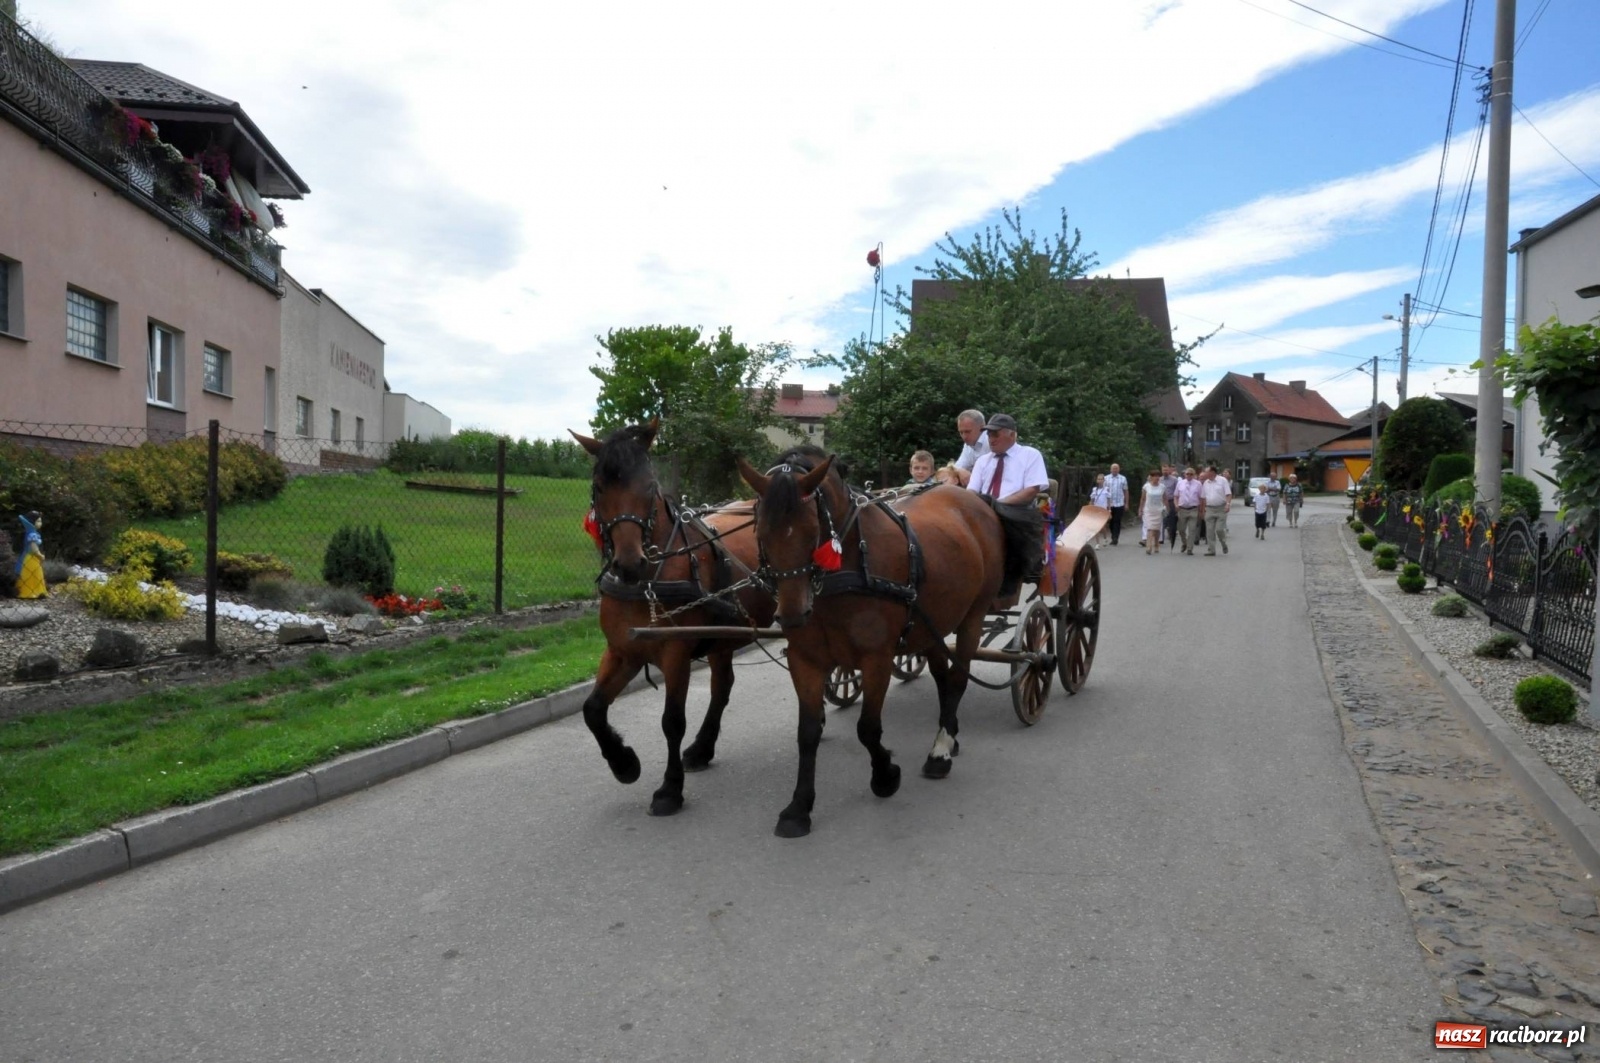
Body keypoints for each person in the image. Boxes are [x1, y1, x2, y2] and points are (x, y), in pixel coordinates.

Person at [967, 414, 1049, 597]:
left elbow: (1031, 490)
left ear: (1012, 435)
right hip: (984, 507)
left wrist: (998, 504)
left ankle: (1022, 569)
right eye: (989, 435)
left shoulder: (1030, 455)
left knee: (1010, 518)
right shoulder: (983, 461)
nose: (991, 439)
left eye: (995, 434)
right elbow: (972, 491)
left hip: (1018, 510)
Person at [951, 410, 990, 487]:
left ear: (982, 428)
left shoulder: (991, 442)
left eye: (967, 432)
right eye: (961, 432)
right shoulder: (968, 445)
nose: (964, 437)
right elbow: (956, 467)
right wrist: (959, 470)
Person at [1199, 467, 1231, 556]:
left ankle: (1223, 543)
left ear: (1212, 472)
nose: (1204, 474)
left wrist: (1228, 504)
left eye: (1206, 472)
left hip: (1221, 508)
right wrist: (1203, 510)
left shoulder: (1222, 480)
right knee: (1209, 531)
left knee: (1219, 529)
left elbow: (1228, 494)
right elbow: (1203, 498)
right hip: (1209, 509)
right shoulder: (1206, 483)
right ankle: (1211, 550)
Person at [1171, 467, 1202, 554]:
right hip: (1182, 509)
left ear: (1194, 475)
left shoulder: (1198, 484)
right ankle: (1184, 543)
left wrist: (1201, 510)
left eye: (1191, 474)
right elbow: (1176, 496)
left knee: (1192, 530)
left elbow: (1201, 498)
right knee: (1181, 529)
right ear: (1184, 475)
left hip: (1193, 509)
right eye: (1187, 474)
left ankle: (1189, 548)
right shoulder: (1180, 483)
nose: (1189, 476)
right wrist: (1176, 505)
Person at [1139, 469, 1165, 555]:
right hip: (1148, 510)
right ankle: (1149, 546)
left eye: (1158, 476)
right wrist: (1140, 509)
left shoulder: (1162, 487)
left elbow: (1165, 499)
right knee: (1150, 528)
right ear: (1151, 477)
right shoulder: (1146, 486)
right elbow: (1143, 499)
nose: (1157, 478)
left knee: (1157, 529)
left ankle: (1156, 544)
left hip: (1158, 510)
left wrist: (1167, 509)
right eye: (1155, 476)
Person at [1104, 462, 1129, 546]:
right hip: (1109, 504)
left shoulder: (1123, 478)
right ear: (1110, 469)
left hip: (1119, 503)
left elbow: (1125, 491)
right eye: (1113, 468)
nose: (1115, 470)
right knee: (1110, 521)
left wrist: (1126, 503)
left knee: (1117, 521)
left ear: (1119, 469)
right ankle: (1112, 535)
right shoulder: (1106, 478)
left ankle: (1115, 538)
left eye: (1116, 468)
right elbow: (1104, 491)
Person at [1089, 473, 1112, 548]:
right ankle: (1097, 543)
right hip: (1096, 510)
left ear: (1104, 480)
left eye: (1101, 479)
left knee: (1102, 527)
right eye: (1098, 479)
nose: (1100, 480)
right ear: (1097, 480)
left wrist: (1109, 510)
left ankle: (1105, 538)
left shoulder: (1106, 489)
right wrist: (1090, 508)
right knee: (1096, 527)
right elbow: (1092, 500)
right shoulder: (1094, 490)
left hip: (1103, 510)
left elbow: (1108, 500)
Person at [1159, 464, 1179, 547]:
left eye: (1166, 470)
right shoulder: (1159, 480)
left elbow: (1177, 492)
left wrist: (1176, 503)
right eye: (1164, 470)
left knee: (1171, 520)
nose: (1165, 472)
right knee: (1162, 520)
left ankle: (1172, 536)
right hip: (1161, 501)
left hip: (1171, 501)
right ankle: (1161, 539)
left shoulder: (1174, 480)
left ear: (1170, 471)